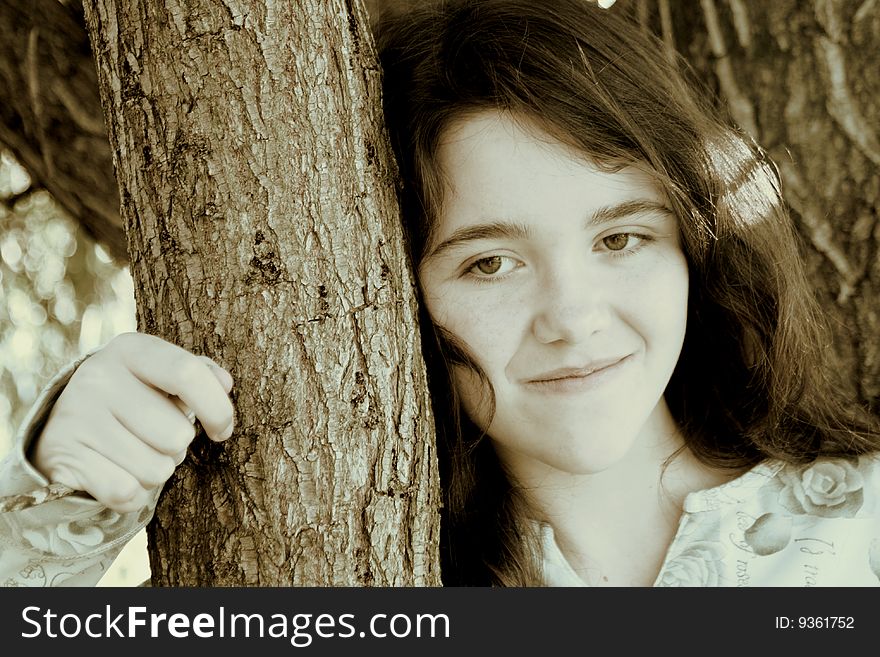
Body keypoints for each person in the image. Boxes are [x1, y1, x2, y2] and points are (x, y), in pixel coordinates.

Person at [2, 0, 879, 587]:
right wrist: (64, 493)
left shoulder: (864, 525)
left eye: (621, 238)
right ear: (393, 296)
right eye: (488, 263)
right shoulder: (352, 566)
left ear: (693, 250)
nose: (574, 317)